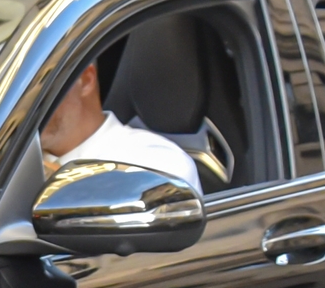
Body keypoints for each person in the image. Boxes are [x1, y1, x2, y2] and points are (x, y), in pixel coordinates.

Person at [38, 59, 202, 195]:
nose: (26, 105)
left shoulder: (156, 163)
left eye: (41, 85)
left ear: (86, 80)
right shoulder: (20, 161)